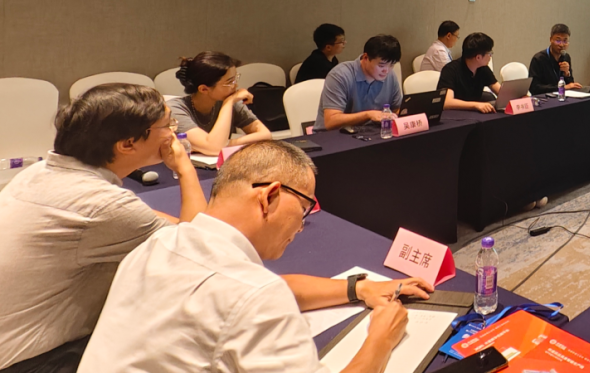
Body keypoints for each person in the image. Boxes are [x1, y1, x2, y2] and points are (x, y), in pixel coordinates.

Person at [78, 141, 432, 373]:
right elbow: (255, 295)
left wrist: (358, 287)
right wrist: (381, 339)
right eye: (304, 209)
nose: (302, 227)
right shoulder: (256, 295)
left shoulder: (161, 243)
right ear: (270, 196)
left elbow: (259, 292)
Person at [0, 84, 206, 373]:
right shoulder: (103, 206)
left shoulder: (39, 172)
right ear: (127, 144)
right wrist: (185, 168)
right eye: (167, 125)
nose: (173, 133)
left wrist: (173, 224)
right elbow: (201, 244)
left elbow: (131, 214)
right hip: (34, 362)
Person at [168, 52, 273, 155]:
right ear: (204, 89)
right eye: (229, 82)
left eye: (235, 78)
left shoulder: (229, 100)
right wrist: (228, 103)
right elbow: (214, 149)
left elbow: (265, 135)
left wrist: (225, 144)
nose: (236, 85)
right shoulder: (175, 110)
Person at [315, 34, 403, 131]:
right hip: (333, 136)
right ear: (365, 57)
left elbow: (397, 110)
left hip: (371, 133)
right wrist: (368, 115)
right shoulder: (340, 75)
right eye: (381, 65)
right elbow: (331, 121)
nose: (386, 70)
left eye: (391, 65)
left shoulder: (390, 76)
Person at [438, 32, 501, 113]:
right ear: (478, 57)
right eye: (489, 53)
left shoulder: (483, 69)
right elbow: (446, 102)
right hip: (454, 115)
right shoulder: (450, 70)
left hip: (474, 114)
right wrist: (475, 105)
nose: (490, 57)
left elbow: (501, 92)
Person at [529, 23, 583, 95]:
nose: (561, 45)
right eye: (558, 41)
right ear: (551, 39)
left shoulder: (566, 57)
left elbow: (570, 85)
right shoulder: (538, 59)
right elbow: (534, 88)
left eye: (565, 41)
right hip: (544, 98)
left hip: (562, 96)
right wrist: (561, 87)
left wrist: (567, 74)